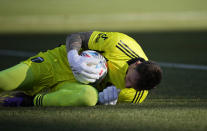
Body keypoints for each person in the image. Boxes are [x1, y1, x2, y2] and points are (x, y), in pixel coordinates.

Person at [0, 31, 162, 107]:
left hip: (73, 86)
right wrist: (73, 57)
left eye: (132, 87)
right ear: (137, 65)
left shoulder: (136, 95)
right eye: (129, 80)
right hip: (55, 62)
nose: (127, 86)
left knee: (89, 98)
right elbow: (76, 36)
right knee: (4, 81)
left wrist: (101, 101)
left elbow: (96, 98)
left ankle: (30, 101)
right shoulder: (121, 44)